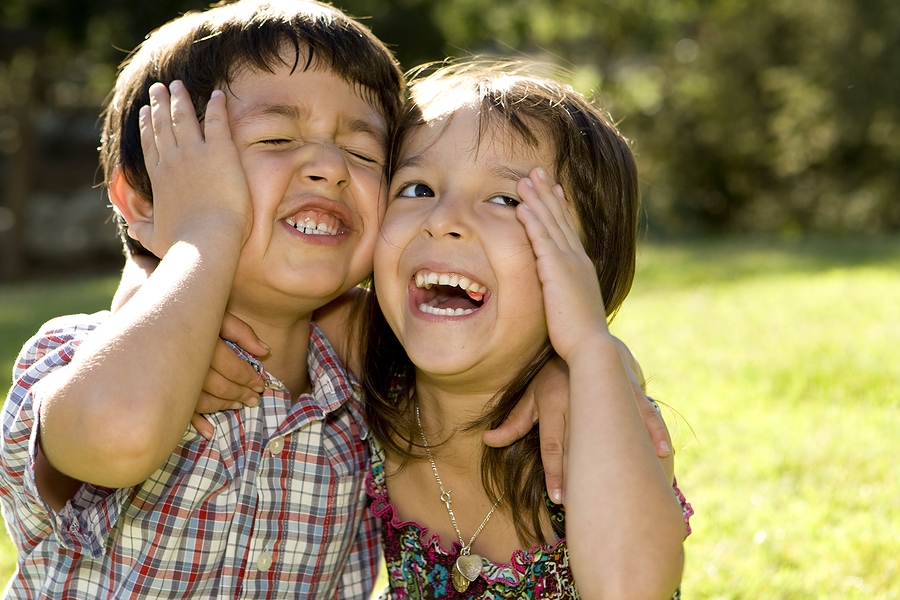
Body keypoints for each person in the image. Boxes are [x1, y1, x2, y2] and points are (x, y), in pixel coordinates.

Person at [0, 1, 404, 597]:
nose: (329, 167)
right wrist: (207, 228)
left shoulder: (368, 384)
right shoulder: (78, 355)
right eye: (275, 137)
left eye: (365, 153)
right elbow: (120, 433)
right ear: (144, 203)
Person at [360, 62, 693, 599]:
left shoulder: (603, 414)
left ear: (586, 265)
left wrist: (588, 350)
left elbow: (631, 590)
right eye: (417, 187)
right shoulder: (357, 366)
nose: (444, 219)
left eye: (506, 200)